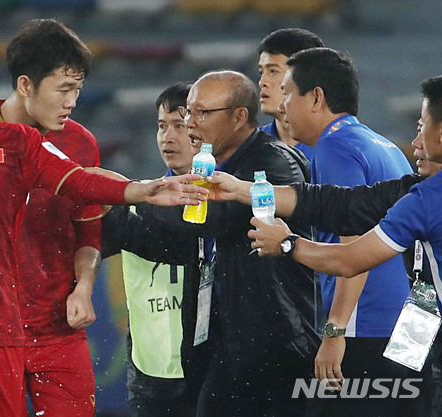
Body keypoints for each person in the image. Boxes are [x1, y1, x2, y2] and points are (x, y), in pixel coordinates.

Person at [102, 70, 319, 416]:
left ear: (239, 117)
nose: (191, 124)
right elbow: (167, 240)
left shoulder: (271, 163)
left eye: (201, 113)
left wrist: (144, 195)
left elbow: (212, 218)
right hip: (224, 344)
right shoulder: (215, 170)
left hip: (273, 347)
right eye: (189, 112)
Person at [247, 75, 442, 416]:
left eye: (287, 90)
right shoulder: (383, 146)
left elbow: (351, 253)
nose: (415, 141)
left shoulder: (338, 147)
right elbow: (346, 203)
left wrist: (289, 244)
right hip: (411, 333)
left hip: (368, 331)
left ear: (316, 97)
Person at [0, 19, 102, 416]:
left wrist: (83, 288)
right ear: (26, 85)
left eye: (77, 90)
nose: (72, 101)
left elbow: (89, 235)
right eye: (63, 89)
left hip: (58, 330)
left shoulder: (81, 144)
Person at [102, 82, 197, 417]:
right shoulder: (136, 203)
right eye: (161, 126)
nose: (167, 137)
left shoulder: (233, 202)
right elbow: (88, 247)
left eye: (179, 126)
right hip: (151, 376)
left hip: (214, 368)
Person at [258, 27, 323, 165]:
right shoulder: (248, 146)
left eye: (273, 71)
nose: (262, 82)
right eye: (261, 72)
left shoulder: (337, 149)